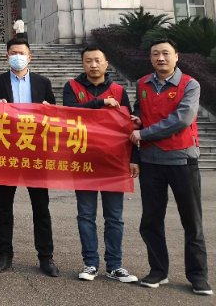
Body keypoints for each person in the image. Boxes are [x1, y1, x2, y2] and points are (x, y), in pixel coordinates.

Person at [129, 38, 211, 295]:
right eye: (155, 54)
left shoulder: (190, 84)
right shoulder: (142, 83)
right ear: (150, 58)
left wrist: (144, 133)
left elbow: (182, 118)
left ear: (176, 56)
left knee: (192, 221)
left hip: (182, 159)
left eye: (166, 53)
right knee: (151, 220)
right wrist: (137, 122)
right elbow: (139, 114)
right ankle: (158, 271)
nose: (161, 58)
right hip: (150, 161)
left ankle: (198, 276)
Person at [62, 45, 138, 283]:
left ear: (106, 64)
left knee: (114, 217)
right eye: (88, 61)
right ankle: (91, 263)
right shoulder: (72, 87)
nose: (93, 65)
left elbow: (129, 126)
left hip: (114, 163)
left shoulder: (119, 90)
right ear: (82, 64)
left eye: (97, 60)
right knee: (86, 215)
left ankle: (115, 265)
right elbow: (68, 112)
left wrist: (134, 159)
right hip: (83, 161)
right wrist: (99, 103)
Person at [0, 38, 59, 277]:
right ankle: (4, 254)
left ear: (29, 57)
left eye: (21, 53)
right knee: (4, 207)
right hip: (7, 152)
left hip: (35, 152)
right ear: (7, 57)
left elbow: (54, 115)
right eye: (13, 53)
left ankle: (46, 257)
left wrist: (49, 109)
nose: (17, 56)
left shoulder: (42, 83)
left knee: (41, 207)